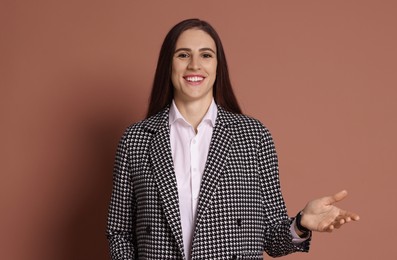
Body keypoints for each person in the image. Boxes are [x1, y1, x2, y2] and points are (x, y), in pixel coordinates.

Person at [106, 18, 359, 260]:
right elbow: (119, 233)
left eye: (206, 55)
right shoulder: (136, 140)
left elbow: (272, 239)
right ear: (168, 64)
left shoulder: (253, 136)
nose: (195, 65)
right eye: (183, 54)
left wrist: (302, 223)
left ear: (218, 66)